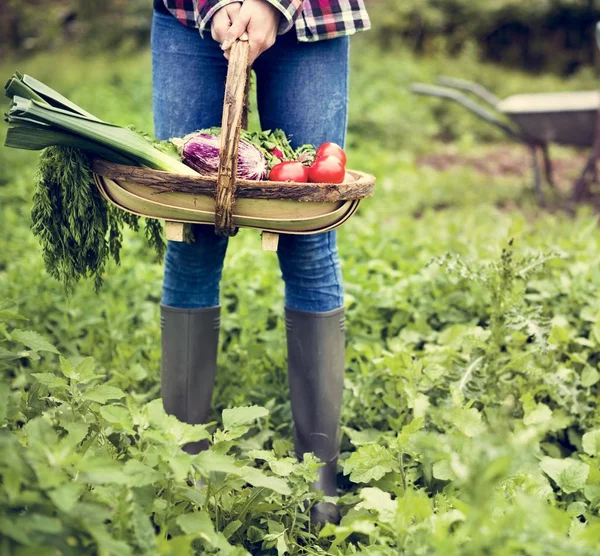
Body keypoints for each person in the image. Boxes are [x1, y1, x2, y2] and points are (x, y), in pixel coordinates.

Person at [152, 0, 370, 525]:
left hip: (312, 17)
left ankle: (318, 488)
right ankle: (182, 475)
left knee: (308, 233)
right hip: (192, 16)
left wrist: (274, 4)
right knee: (192, 231)